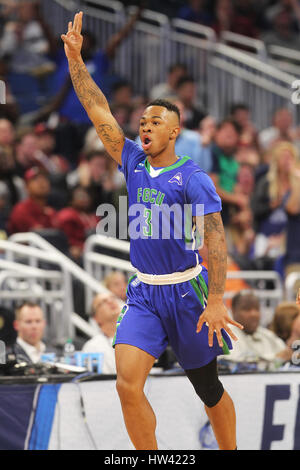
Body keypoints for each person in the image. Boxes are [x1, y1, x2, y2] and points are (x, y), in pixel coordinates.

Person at [61, 12, 244, 451]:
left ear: (175, 131)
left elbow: (215, 237)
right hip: (144, 291)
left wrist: (216, 298)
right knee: (126, 385)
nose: (145, 125)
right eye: (143, 120)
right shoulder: (131, 160)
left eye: (156, 121)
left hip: (187, 292)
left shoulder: (193, 176)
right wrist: (74, 59)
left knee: (209, 390)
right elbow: (97, 107)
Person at [223, 291, 286, 362]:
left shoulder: (268, 336)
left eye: (256, 309)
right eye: (247, 309)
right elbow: (233, 365)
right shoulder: (225, 335)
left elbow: (285, 354)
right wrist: (275, 359)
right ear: (233, 311)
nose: (253, 314)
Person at [7, 166, 56, 234]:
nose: (41, 182)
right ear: (26, 187)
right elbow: (39, 235)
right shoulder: (21, 210)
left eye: (44, 178)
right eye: (35, 179)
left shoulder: (51, 213)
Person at [82, 292, 122, 374]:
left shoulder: (138, 337)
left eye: (113, 298)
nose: (111, 301)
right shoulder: (92, 347)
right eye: (103, 302)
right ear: (96, 318)